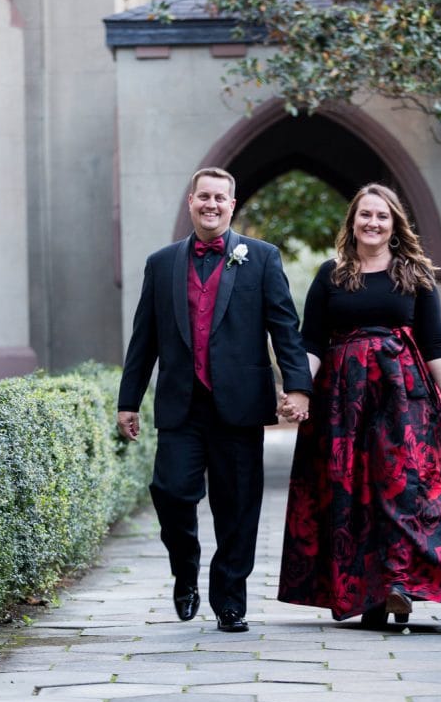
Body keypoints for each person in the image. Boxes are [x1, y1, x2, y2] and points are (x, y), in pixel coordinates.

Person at [278, 183, 441, 630]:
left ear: (394, 224)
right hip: (342, 401)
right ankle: (369, 594)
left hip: (402, 398)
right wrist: (297, 389)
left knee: (404, 487)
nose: (373, 222)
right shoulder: (330, 275)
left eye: (382, 216)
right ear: (352, 222)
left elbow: (435, 342)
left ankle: (400, 583)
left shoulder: (415, 275)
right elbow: (310, 340)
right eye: (365, 215)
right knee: (350, 491)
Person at [117, 167, 311, 633]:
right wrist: (129, 400)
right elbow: (144, 337)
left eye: (220, 198)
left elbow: (285, 328)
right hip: (181, 405)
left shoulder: (261, 258)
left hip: (240, 405)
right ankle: (185, 568)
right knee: (169, 491)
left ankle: (230, 601)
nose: (211, 204)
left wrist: (298, 386)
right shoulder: (161, 263)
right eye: (203, 196)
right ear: (191, 202)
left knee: (238, 506)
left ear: (232, 204)